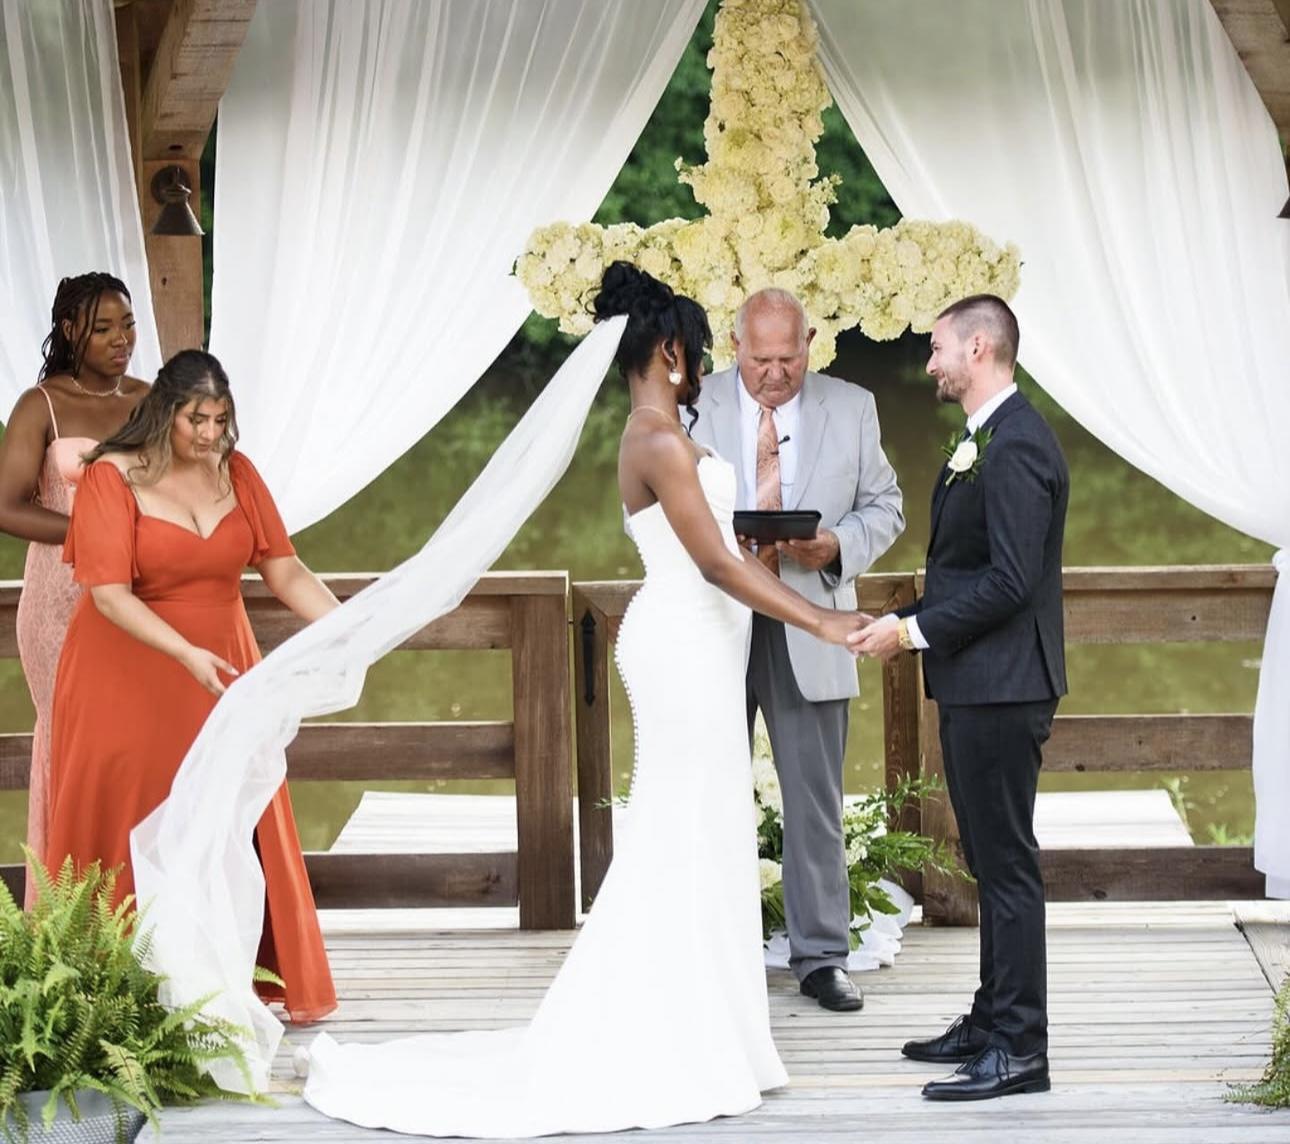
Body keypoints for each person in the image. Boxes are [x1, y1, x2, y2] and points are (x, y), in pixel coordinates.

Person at [299, 262, 865, 1136]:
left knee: (708, 826)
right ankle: (666, 1028)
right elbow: (715, 565)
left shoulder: (663, 432)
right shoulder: (656, 441)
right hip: (684, 646)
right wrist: (821, 621)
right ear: (670, 351)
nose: (704, 367)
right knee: (682, 824)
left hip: (705, 645)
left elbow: (721, 552)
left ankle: (714, 1026)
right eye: (699, 351)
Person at [43, 349, 338, 1023]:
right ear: (164, 412)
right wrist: (183, 652)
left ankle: (230, 975)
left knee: (234, 805)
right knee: (135, 811)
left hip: (224, 669)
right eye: (195, 420)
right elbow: (109, 595)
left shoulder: (238, 473)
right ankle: (121, 995)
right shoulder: (113, 477)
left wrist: (347, 626)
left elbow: (286, 571)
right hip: (127, 673)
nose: (209, 433)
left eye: (220, 419)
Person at [853, 294, 1068, 1100]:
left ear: (979, 348)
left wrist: (910, 633)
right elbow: (970, 572)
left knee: (1006, 867)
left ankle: (1020, 1048)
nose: (930, 363)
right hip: (983, 683)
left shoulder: (1016, 446)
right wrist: (902, 618)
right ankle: (990, 1020)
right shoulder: (990, 437)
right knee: (988, 859)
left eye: (938, 347)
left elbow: (1011, 582)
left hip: (1005, 687)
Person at [691, 288, 904, 1011]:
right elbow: (655, 509)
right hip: (714, 623)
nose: (776, 374)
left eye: (789, 358)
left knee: (816, 801)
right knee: (705, 791)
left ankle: (821, 957)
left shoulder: (853, 406)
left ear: (810, 343)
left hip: (815, 622)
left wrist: (836, 544)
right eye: (761, 361)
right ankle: (710, 951)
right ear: (735, 346)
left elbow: (888, 506)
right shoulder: (691, 404)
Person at [0, 273, 149, 906]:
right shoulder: (41, 405)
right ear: (70, 331)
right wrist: (92, 533)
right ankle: (70, 925)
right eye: (104, 327)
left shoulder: (151, 399)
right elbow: (7, 507)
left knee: (135, 749)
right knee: (74, 750)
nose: (122, 340)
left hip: (140, 598)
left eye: (128, 324)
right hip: (60, 604)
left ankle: (137, 916)